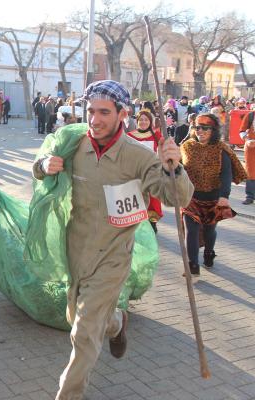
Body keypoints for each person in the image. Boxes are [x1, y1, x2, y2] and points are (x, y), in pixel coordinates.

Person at [33, 80, 193, 400]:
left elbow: (177, 197)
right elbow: (41, 166)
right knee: (75, 317)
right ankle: (117, 322)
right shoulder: (73, 143)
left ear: (123, 114)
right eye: (91, 111)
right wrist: (42, 166)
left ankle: (69, 395)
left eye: (104, 112)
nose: (95, 119)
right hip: (75, 249)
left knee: (83, 331)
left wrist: (174, 168)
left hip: (114, 254)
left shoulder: (137, 154)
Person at [180, 114, 247, 279]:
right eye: (197, 127)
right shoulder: (187, 146)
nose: (200, 131)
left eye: (205, 128)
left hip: (213, 198)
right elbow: (179, 168)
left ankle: (209, 252)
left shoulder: (221, 149)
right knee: (191, 230)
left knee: (210, 231)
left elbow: (226, 175)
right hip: (191, 197)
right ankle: (193, 264)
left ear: (213, 130)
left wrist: (224, 196)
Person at [239, 111, 255, 205]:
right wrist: (247, 140)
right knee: (250, 172)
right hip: (251, 147)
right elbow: (242, 131)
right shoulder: (250, 115)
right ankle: (250, 196)